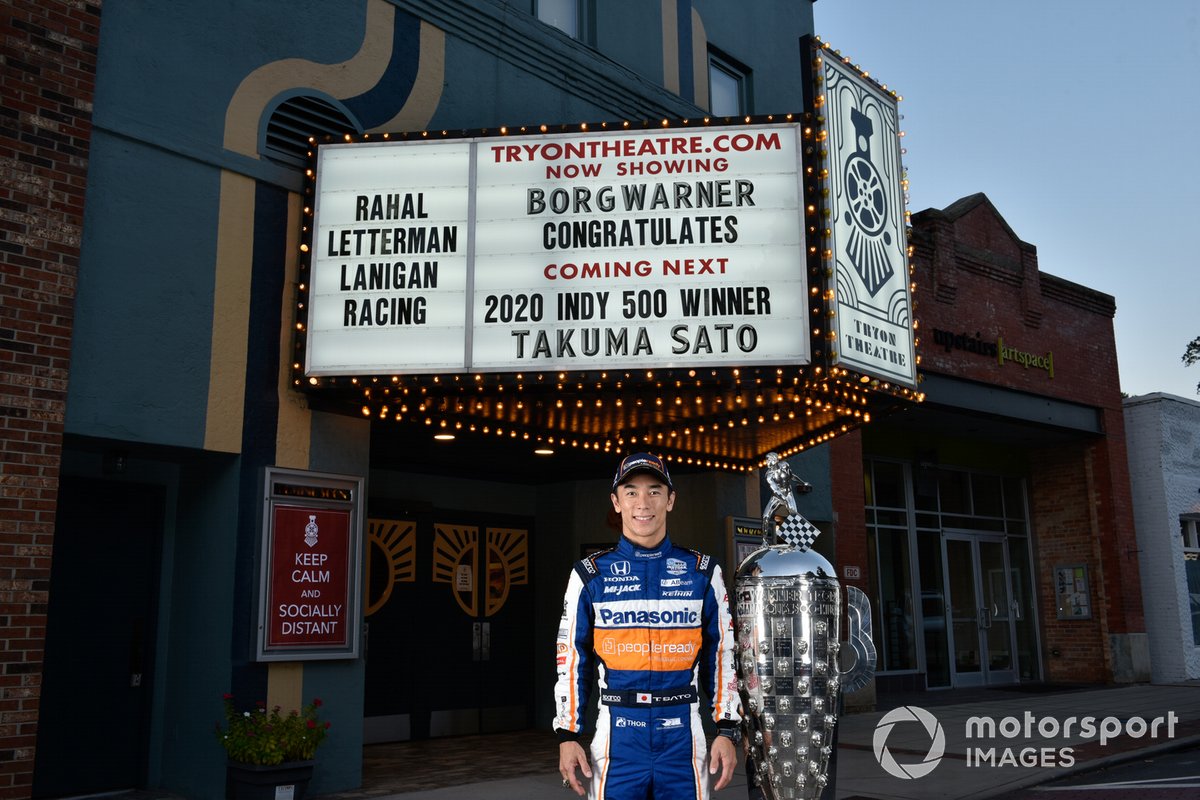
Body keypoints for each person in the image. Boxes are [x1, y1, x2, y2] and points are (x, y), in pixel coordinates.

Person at [554, 452, 742, 799]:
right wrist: (568, 736)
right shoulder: (589, 575)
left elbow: (723, 654)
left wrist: (727, 730)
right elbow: (571, 660)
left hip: (684, 735)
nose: (644, 503)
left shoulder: (703, 572)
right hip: (617, 735)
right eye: (631, 492)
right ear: (616, 502)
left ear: (670, 500)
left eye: (655, 491)